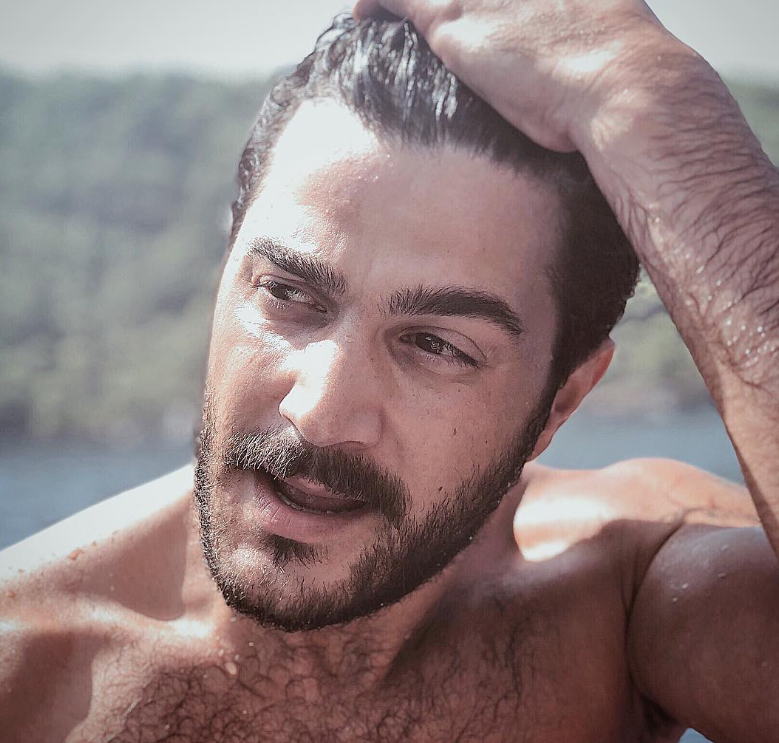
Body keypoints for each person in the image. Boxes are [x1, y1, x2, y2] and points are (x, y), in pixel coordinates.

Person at [1, 0, 777, 740]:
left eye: (435, 345)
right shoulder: (24, 671)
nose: (318, 413)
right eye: (288, 293)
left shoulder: (627, 593)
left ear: (560, 402)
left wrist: (656, 103)